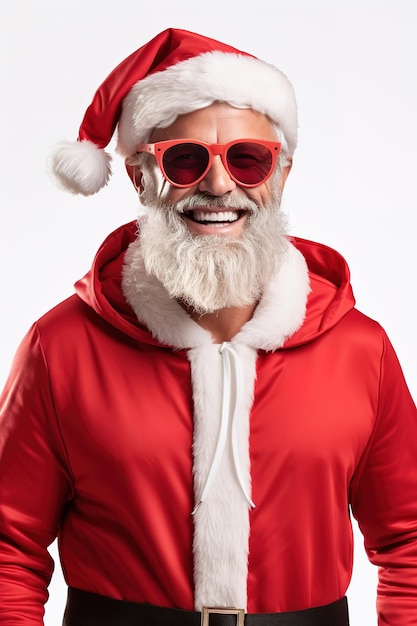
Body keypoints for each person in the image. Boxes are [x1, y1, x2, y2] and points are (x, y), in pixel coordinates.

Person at [0, 27, 416, 626]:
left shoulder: (361, 350)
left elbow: (409, 539)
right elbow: (10, 546)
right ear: (142, 177)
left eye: (249, 159)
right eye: (186, 159)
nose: (219, 185)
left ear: (281, 176)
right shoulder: (60, 348)